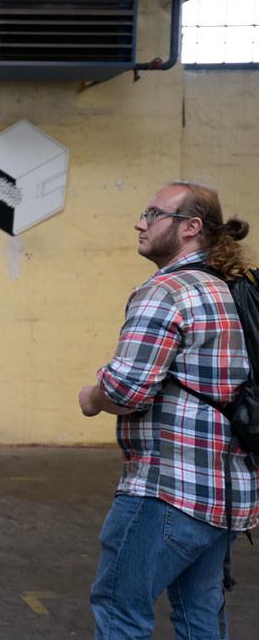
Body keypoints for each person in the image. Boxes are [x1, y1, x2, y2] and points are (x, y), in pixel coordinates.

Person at [79, 182, 259, 639]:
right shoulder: (232, 289)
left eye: (154, 214)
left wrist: (91, 397)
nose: (140, 223)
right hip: (228, 494)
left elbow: (126, 391)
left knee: (120, 611)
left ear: (191, 227)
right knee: (199, 617)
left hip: (168, 490)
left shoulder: (168, 291)